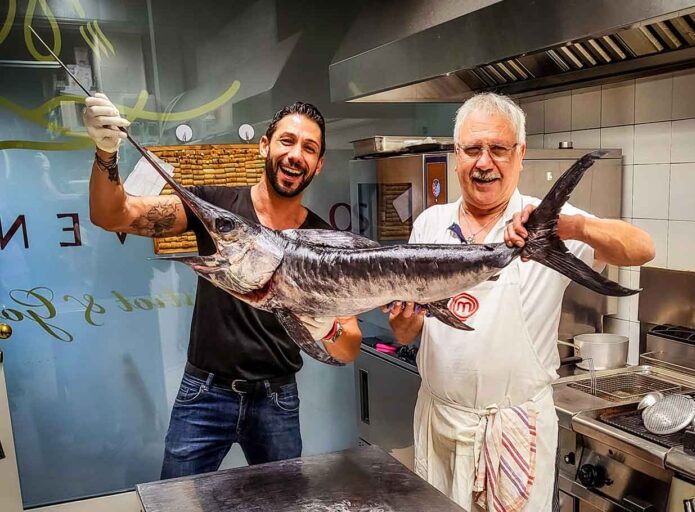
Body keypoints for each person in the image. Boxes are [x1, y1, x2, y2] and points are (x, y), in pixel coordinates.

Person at [386, 92, 654, 511]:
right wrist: (403, 324)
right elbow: (414, 327)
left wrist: (571, 226)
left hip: (514, 428)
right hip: (440, 420)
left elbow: (641, 248)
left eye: (498, 149)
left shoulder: (541, 222)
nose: (484, 162)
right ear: (456, 155)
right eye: (472, 149)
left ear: (520, 154)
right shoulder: (429, 223)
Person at [83, 94, 362, 478]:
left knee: (283, 507)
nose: (296, 154)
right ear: (264, 145)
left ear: (319, 164)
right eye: (287, 140)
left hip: (276, 400)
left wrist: (325, 328)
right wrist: (105, 153)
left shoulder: (324, 241)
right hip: (204, 393)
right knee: (175, 503)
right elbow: (112, 214)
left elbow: (349, 345)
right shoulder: (217, 210)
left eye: (309, 148)